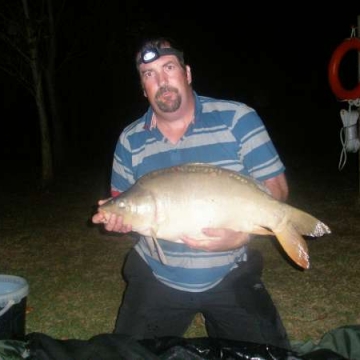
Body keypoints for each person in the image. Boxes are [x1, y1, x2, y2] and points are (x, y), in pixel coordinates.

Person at [92, 36, 290, 349]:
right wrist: (116, 218)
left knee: (270, 354)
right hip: (158, 275)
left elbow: (275, 190)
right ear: (143, 88)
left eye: (168, 68)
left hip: (230, 272)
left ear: (187, 73)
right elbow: (124, 200)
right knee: (128, 354)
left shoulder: (238, 119)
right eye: (149, 75)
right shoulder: (130, 140)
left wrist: (241, 236)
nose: (161, 81)